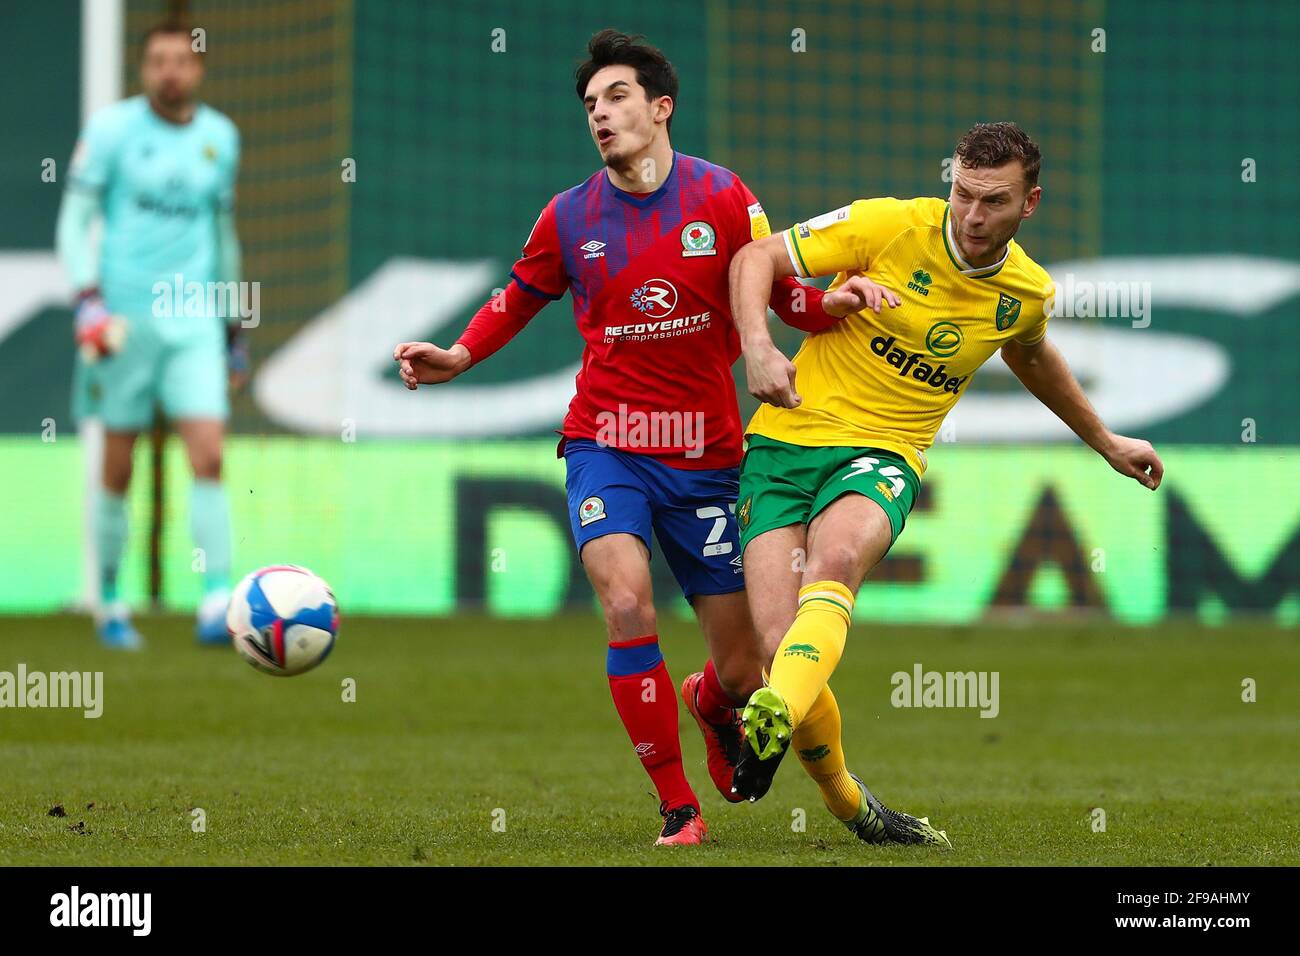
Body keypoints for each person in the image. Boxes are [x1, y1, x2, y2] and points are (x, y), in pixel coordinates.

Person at [395, 31, 936, 846]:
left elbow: (785, 294)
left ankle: (710, 703)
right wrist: (461, 354)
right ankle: (678, 809)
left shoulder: (722, 199)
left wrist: (834, 304)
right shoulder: (569, 215)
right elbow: (518, 294)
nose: (600, 116)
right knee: (624, 600)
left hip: (709, 456)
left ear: (660, 107)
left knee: (747, 669)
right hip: (606, 443)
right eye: (589, 105)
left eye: (616, 98)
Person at [726, 122, 1165, 810]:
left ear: (1032, 204)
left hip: (883, 454)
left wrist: (1106, 441)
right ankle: (847, 800)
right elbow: (757, 258)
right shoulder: (886, 225)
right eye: (962, 194)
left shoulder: (1025, 293)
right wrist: (758, 346)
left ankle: (773, 710)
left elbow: (1030, 355)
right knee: (779, 645)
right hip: (784, 442)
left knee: (836, 562)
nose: (973, 215)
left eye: (994, 201)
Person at [56, 20, 246, 648]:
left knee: (210, 456)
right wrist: (87, 298)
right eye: (157, 60)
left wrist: (233, 328)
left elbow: (222, 238)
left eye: (181, 60)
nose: (170, 70)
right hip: (122, 323)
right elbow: (76, 217)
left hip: (192, 321)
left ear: (198, 69)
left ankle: (216, 601)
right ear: (144, 70)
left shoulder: (221, 138)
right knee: (116, 467)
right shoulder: (111, 132)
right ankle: (110, 603)